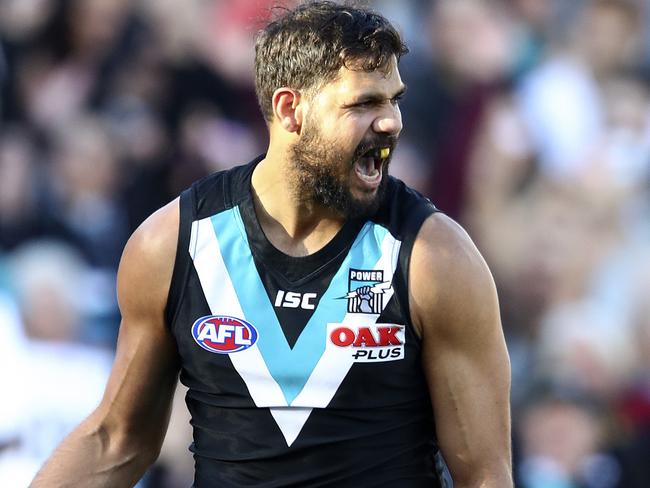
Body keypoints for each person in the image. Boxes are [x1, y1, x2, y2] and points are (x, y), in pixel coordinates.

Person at [31, 2, 512, 487]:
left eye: (394, 100)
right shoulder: (173, 243)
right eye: (364, 103)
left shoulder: (435, 257)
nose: (392, 122)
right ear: (289, 110)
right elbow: (117, 441)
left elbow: (486, 476)